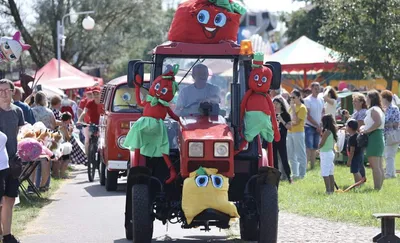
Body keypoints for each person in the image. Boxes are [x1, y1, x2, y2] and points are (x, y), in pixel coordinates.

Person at [0, 79, 25, 243]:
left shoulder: (18, 111)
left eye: (6, 90)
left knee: (9, 199)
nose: (3, 93)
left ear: (12, 91)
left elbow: (20, 134)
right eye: (0, 90)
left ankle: (7, 235)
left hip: (13, 161)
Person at [360, 90, 385, 190]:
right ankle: (379, 187)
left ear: (370, 99)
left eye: (367, 97)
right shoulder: (379, 109)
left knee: (375, 166)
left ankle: (377, 188)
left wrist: (366, 130)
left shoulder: (373, 110)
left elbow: (377, 122)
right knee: (379, 165)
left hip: (374, 137)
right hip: (378, 136)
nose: (366, 99)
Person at [287, 90, 308, 179]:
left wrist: (293, 109)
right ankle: (295, 173)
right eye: (291, 97)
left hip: (298, 132)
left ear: (299, 97)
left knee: (300, 153)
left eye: (294, 97)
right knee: (291, 154)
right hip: (290, 132)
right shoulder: (291, 107)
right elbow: (289, 120)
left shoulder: (302, 107)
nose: (292, 99)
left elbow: (296, 121)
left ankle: (302, 174)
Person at [304, 82, 325, 170]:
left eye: (318, 88)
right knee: (309, 147)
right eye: (315, 88)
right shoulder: (307, 100)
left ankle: (312, 166)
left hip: (318, 126)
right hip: (309, 126)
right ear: (311, 89)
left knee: (315, 148)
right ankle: (305, 167)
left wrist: (321, 124)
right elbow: (308, 115)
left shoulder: (321, 99)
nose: (317, 90)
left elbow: (323, 111)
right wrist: (317, 124)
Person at [78, 86, 104, 154]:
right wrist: (79, 120)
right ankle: (88, 157)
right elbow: (84, 112)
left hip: (103, 124)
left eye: (97, 93)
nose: (96, 95)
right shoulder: (90, 103)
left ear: (100, 93)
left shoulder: (103, 103)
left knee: (103, 141)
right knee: (88, 141)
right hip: (92, 124)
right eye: (94, 94)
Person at [272, 96, 292, 183]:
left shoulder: (286, 115)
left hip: (282, 139)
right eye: (274, 103)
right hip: (272, 139)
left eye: (277, 103)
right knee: (274, 159)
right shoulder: (271, 114)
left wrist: (282, 120)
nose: (275, 105)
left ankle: (289, 176)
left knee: (284, 158)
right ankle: (276, 178)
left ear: (281, 104)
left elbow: (289, 127)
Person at [381, 90, 400, 178]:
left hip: (393, 135)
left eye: (382, 98)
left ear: (386, 98)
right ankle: (392, 174)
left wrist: (385, 124)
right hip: (386, 135)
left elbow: (397, 123)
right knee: (389, 155)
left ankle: (388, 174)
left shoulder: (394, 108)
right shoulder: (385, 109)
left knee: (389, 155)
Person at [318, 114, 337, 194]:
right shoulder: (331, 132)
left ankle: (328, 190)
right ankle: (332, 189)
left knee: (325, 173)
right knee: (330, 172)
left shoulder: (326, 132)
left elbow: (322, 143)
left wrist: (318, 147)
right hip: (329, 153)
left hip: (325, 153)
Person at [346, 119, 366, 183]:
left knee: (355, 171)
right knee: (360, 168)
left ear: (350, 128)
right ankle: (362, 180)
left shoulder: (352, 138)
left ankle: (358, 183)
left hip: (355, 156)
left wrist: (349, 160)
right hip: (360, 154)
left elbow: (352, 151)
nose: (346, 128)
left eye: (347, 126)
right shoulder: (358, 135)